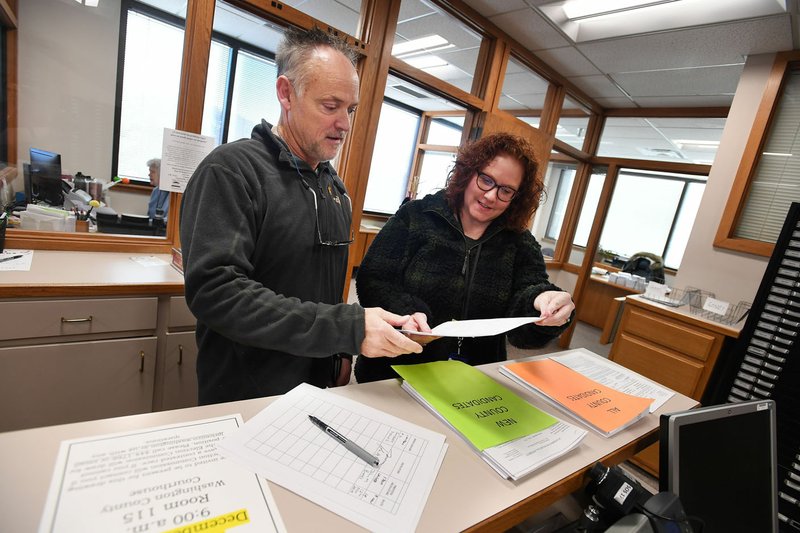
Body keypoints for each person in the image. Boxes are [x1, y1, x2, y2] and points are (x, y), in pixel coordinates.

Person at [179, 27, 422, 405]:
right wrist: (347, 328)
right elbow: (217, 292)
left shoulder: (332, 188)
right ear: (285, 93)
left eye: (350, 109)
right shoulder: (232, 171)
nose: (344, 124)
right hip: (246, 391)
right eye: (330, 106)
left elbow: (323, 293)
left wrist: (339, 351)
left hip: (313, 390)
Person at [354, 132, 576, 383]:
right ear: (468, 173)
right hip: (393, 371)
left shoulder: (520, 243)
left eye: (506, 190)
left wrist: (543, 303)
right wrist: (409, 312)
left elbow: (523, 322)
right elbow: (373, 279)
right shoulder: (416, 216)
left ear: (517, 197)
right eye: (486, 180)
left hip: (474, 380)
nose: (491, 196)